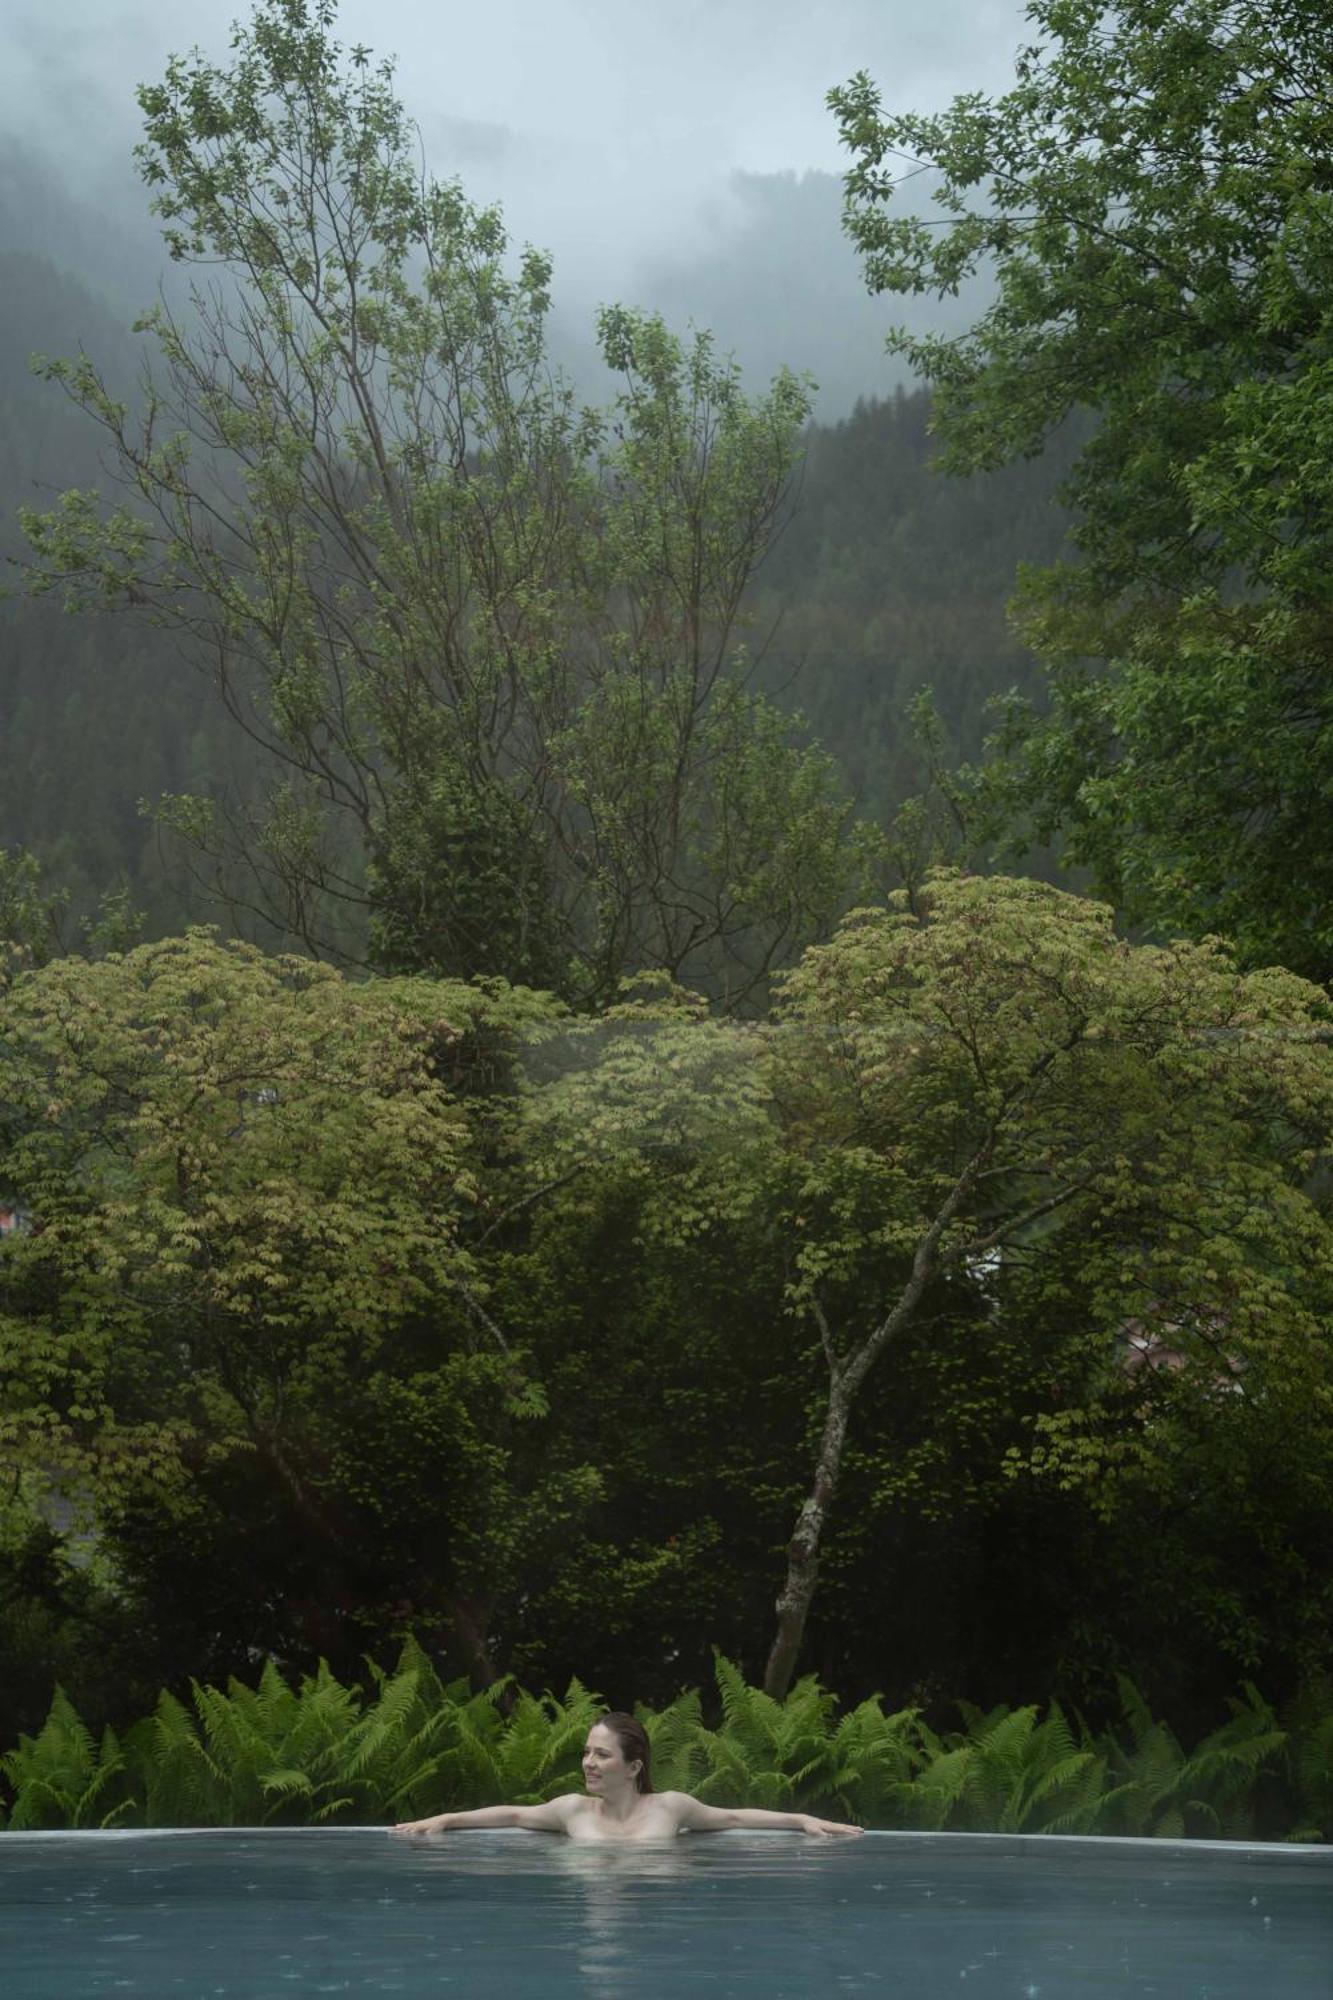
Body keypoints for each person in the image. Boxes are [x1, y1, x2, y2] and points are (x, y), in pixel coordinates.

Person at [392, 1711, 862, 1844]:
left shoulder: (671, 1807)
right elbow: (513, 1813)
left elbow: (735, 1818)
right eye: (586, 1753)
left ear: (634, 1767)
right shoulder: (571, 1810)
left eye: (601, 1755)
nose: (588, 1763)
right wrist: (447, 1819)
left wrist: (801, 1819)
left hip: (654, 1920)